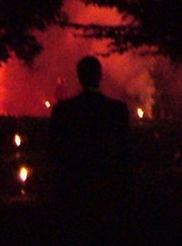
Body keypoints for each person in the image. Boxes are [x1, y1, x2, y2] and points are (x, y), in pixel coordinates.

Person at [49, 56, 131, 235]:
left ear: (79, 77)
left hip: (74, 185)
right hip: (106, 184)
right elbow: (125, 151)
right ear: (100, 76)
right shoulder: (117, 110)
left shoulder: (63, 111)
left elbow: (55, 150)